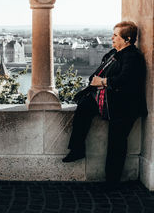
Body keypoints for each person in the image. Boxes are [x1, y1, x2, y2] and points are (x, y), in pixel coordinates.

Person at [62, 21, 147, 185]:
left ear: (127, 39)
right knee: (84, 106)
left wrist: (102, 81)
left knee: (117, 141)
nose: (112, 38)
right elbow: (95, 76)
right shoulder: (113, 53)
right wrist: (98, 81)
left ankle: (112, 181)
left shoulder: (133, 57)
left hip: (125, 106)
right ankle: (77, 148)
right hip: (110, 99)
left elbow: (125, 80)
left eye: (115, 35)